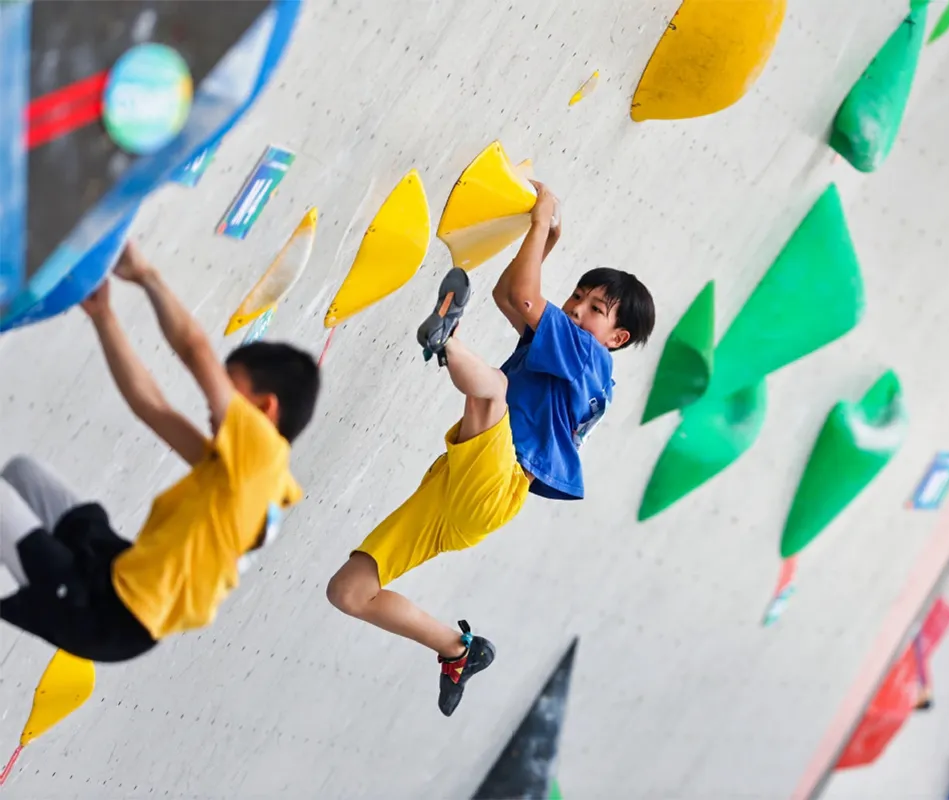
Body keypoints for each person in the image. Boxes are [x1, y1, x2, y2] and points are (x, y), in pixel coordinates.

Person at [326, 181, 656, 717]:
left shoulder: (590, 359)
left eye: (596, 309)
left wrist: (541, 214)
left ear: (616, 337)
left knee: (493, 393)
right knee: (348, 592)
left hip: (498, 484)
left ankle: (447, 339)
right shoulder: (573, 353)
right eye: (577, 297)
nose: (576, 311)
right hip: (458, 493)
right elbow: (511, 296)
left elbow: (526, 297)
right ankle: (459, 650)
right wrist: (542, 243)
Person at [0, 243, 320, 663]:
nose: (213, 403)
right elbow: (152, 407)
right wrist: (104, 316)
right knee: (23, 473)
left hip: (107, 615)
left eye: (228, 390)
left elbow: (195, 351)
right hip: (117, 569)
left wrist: (146, 274)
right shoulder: (242, 475)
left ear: (265, 408)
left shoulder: (262, 454)